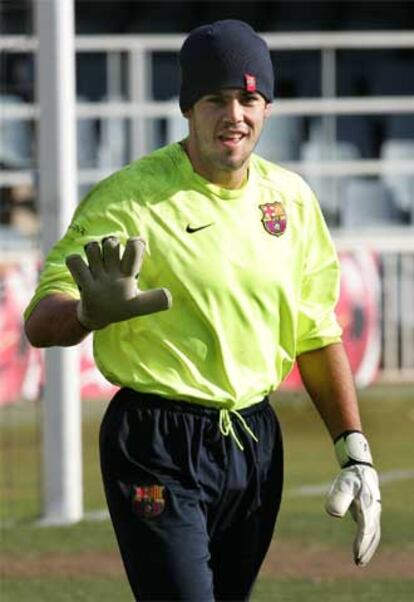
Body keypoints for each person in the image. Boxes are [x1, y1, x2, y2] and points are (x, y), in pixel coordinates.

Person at [24, 19, 381, 602]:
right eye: (216, 99)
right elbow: (40, 321)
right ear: (188, 109)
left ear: (267, 108)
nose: (233, 114)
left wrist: (355, 450)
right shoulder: (131, 197)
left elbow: (316, 334)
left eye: (248, 98)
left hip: (252, 441)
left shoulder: (289, 200)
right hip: (155, 442)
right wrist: (89, 313)